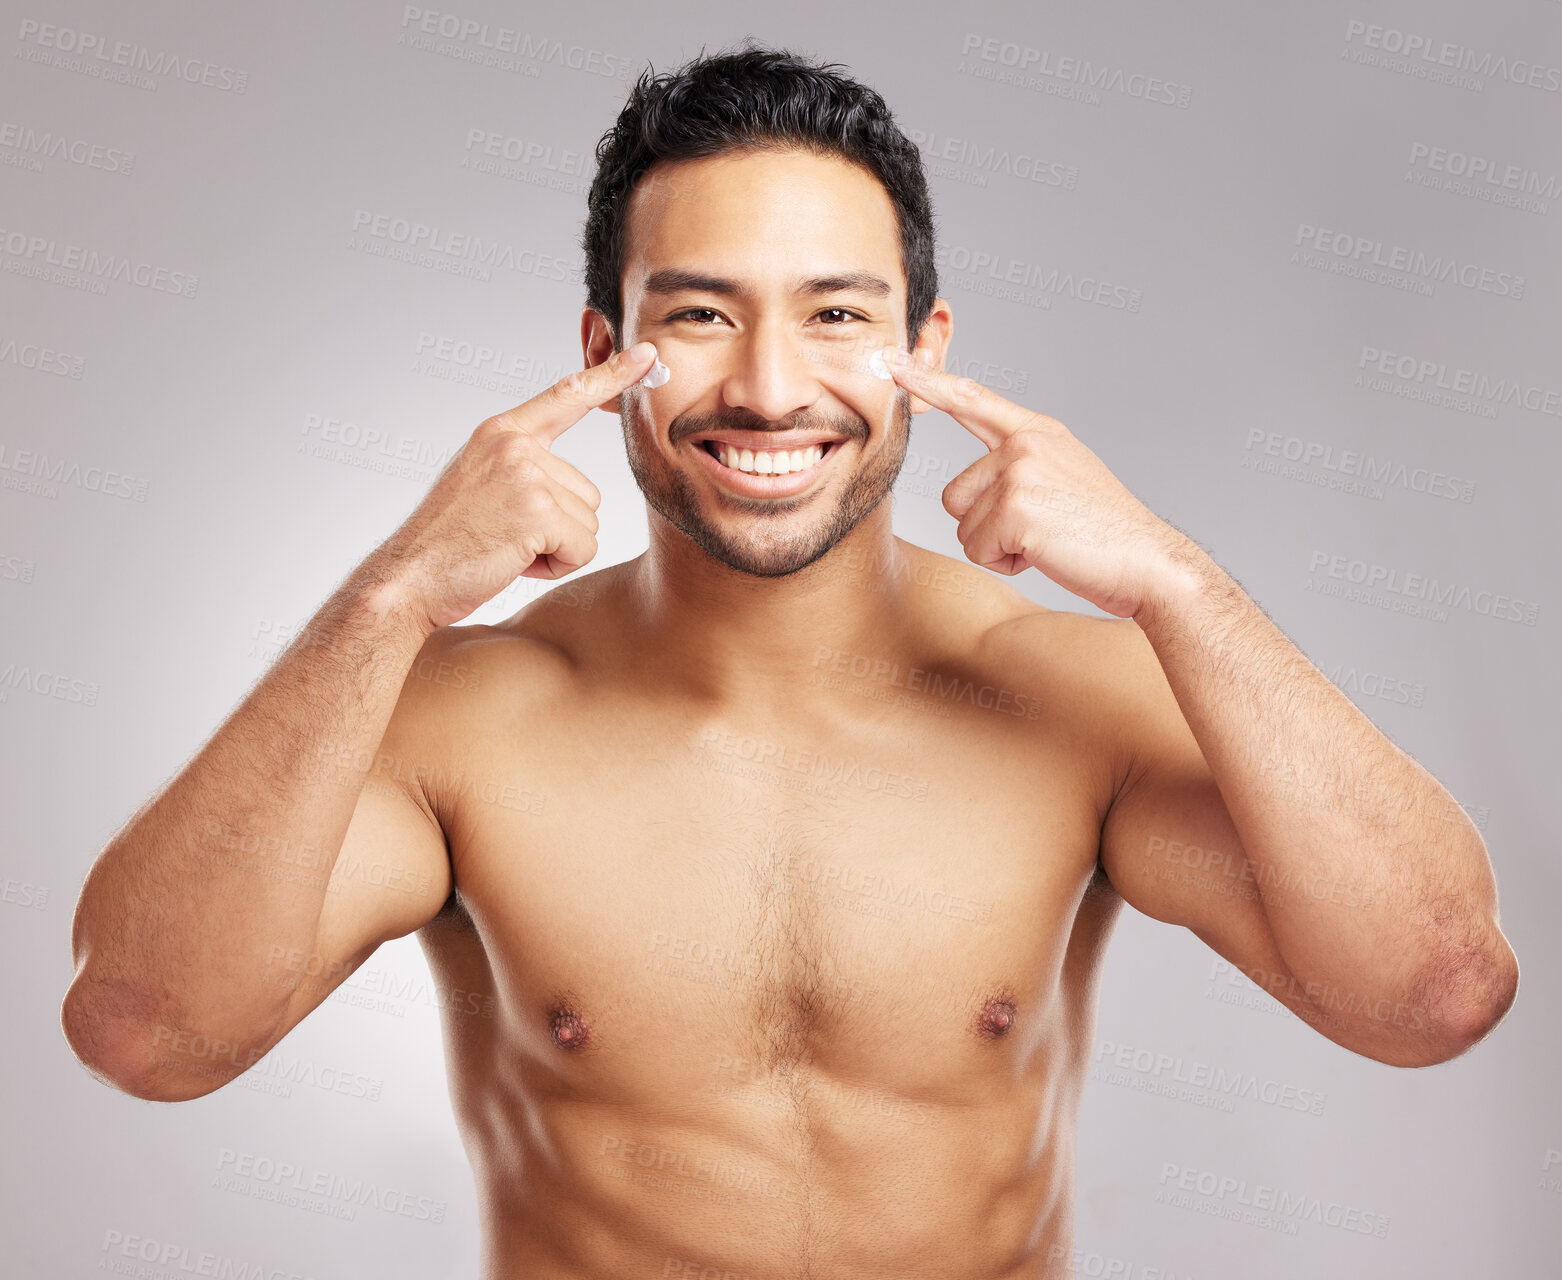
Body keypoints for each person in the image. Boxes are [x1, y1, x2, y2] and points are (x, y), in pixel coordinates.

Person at [62, 42, 1517, 1278]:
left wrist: (1178, 587)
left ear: (924, 346)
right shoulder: (461, 724)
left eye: (836, 314)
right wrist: (386, 600)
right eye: (697, 315)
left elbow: (1431, 995)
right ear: (599, 346)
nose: (767, 386)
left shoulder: (1068, 698)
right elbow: (147, 1033)